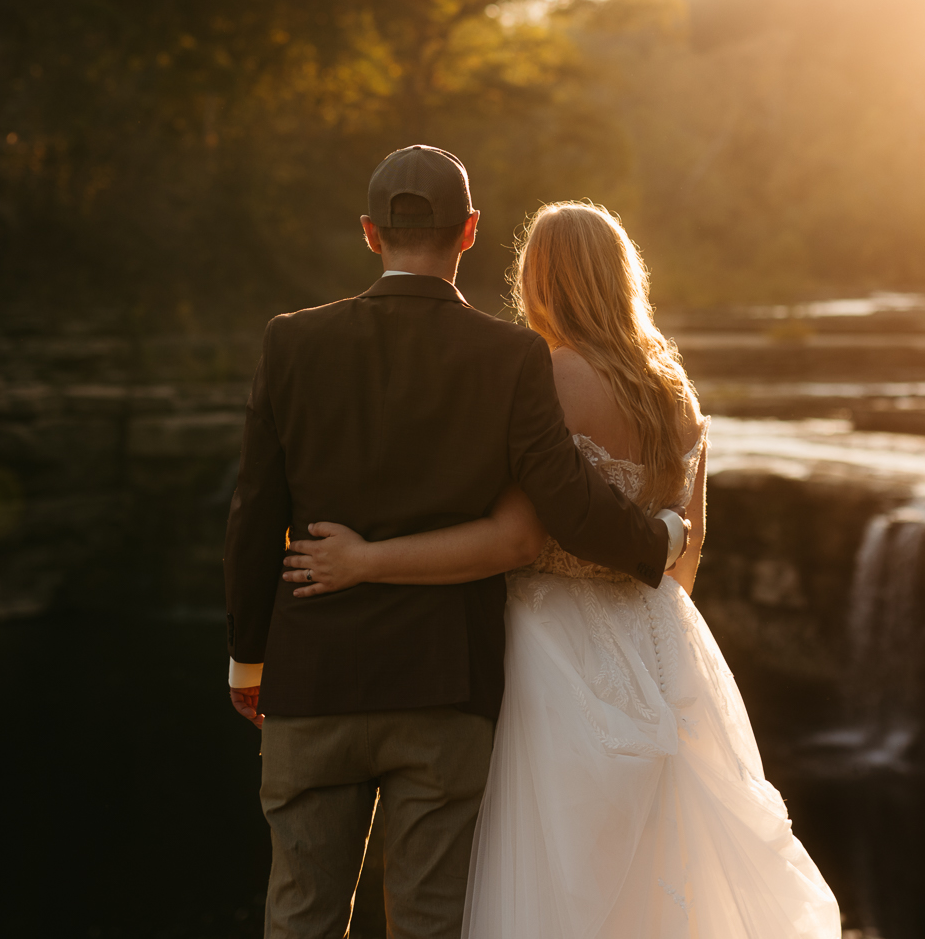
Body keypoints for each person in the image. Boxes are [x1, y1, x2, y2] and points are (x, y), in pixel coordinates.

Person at [283, 201, 842, 939]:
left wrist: (366, 559)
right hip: (659, 644)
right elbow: (687, 547)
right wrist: (650, 653)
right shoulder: (677, 393)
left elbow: (512, 537)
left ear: (539, 279)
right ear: (622, 277)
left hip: (548, 650)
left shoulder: (543, 376)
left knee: (543, 879)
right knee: (653, 879)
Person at [224, 148, 691, 939]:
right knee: (433, 923)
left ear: (371, 233)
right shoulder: (509, 356)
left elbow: (252, 511)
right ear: (469, 231)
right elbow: (569, 505)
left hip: (312, 678)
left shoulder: (290, 341)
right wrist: (661, 538)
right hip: (446, 686)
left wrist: (249, 659)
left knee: (300, 915)